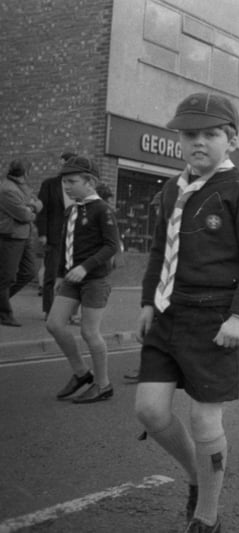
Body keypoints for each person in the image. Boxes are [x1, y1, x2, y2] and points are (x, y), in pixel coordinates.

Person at [134, 93, 239, 532]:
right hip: (168, 312)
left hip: (215, 317)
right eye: (190, 134)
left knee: (204, 416)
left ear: (230, 140)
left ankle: (206, 514)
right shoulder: (174, 186)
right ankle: (198, 475)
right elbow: (160, 250)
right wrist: (147, 302)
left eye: (211, 134)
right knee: (151, 411)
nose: (199, 142)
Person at [46, 156, 119, 403]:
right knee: (54, 324)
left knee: (90, 332)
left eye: (71, 181)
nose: (66, 186)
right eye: (64, 181)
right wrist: (58, 274)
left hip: (95, 279)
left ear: (90, 182)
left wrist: (85, 268)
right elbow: (64, 245)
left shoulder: (103, 210)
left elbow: (111, 246)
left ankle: (103, 384)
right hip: (70, 278)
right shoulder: (72, 210)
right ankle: (81, 373)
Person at [0, 160, 42, 326]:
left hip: (23, 236)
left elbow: (38, 202)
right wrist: (32, 208)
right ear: (26, 173)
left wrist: (31, 207)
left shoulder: (22, 187)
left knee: (29, 272)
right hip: (10, 236)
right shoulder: (7, 189)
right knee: (7, 277)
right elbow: (24, 215)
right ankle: (4, 314)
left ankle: (1, 304)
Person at [36, 152, 76, 318]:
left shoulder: (78, 186)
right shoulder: (49, 185)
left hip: (74, 238)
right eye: (63, 164)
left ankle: (70, 313)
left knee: (73, 277)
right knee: (51, 274)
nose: (63, 167)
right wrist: (43, 233)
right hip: (54, 236)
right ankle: (49, 311)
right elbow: (42, 210)